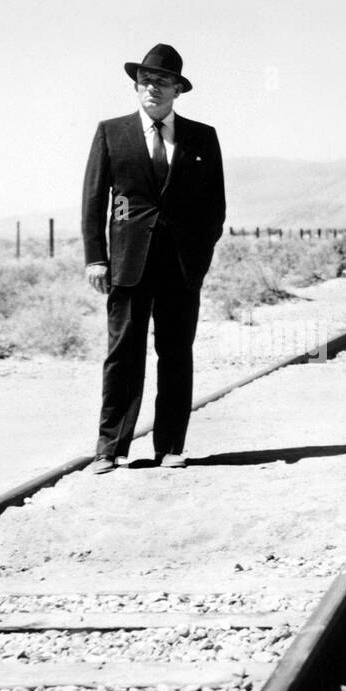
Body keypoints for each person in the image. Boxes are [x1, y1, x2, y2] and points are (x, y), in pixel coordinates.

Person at [81, 43, 226, 474]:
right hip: (128, 263)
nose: (152, 88)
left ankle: (170, 448)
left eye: (162, 82)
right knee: (122, 354)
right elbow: (93, 201)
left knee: (176, 353)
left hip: (181, 268)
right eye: (145, 80)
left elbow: (213, 209)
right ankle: (111, 449)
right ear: (136, 86)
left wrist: (198, 260)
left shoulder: (203, 137)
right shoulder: (111, 132)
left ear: (177, 91)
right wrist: (96, 259)